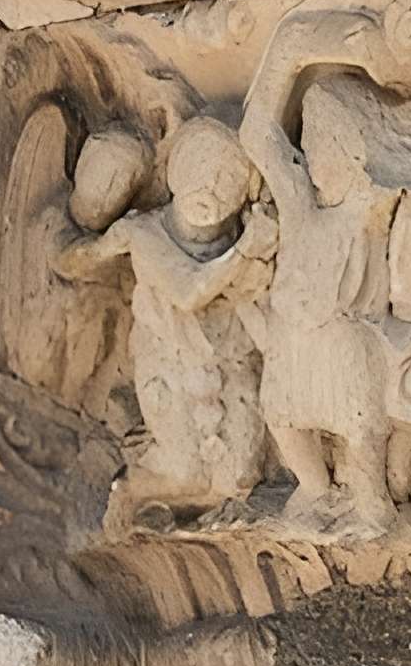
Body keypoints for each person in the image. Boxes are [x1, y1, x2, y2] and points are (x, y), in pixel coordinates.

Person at [242, 13, 411, 540]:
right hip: (290, 335)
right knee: (281, 416)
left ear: (360, 156)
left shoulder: (371, 206)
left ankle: (373, 505)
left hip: (349, 340)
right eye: (310, 142)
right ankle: (314, 488)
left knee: (359, 429)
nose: (314, 156)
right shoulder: (298, 199)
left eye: (330, 144)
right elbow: (257, 135)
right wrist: (290, 50)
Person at [57, 118, 277, 526]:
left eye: (226, 177)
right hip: (170, 364)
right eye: (197, 167)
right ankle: (128, 495)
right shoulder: (145, 233)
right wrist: (247, 251)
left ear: (245, 189)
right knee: (183, 470)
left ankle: (191, 521)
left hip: (233, 366)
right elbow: (188, 291)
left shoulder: (244, 239)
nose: (208, 186)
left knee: (242, 476)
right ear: (175, 171)